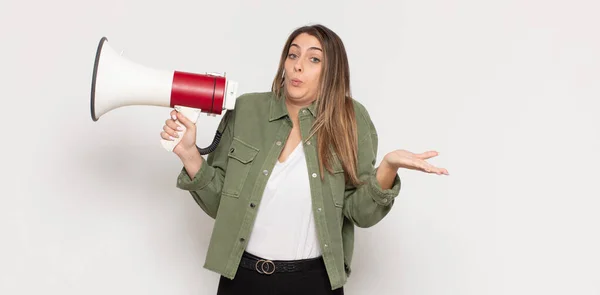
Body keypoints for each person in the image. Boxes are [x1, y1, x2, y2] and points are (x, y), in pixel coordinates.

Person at [160, 24, 449, 295]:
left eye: (314, 59)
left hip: (313, 283)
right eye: (293, 54)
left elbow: (360, 213)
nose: (298, 65)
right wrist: (189, 153)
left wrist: (387, 168)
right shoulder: (247, 110)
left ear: (331, 72)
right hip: (241, 279)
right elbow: (220, 206)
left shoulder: (350, 119)